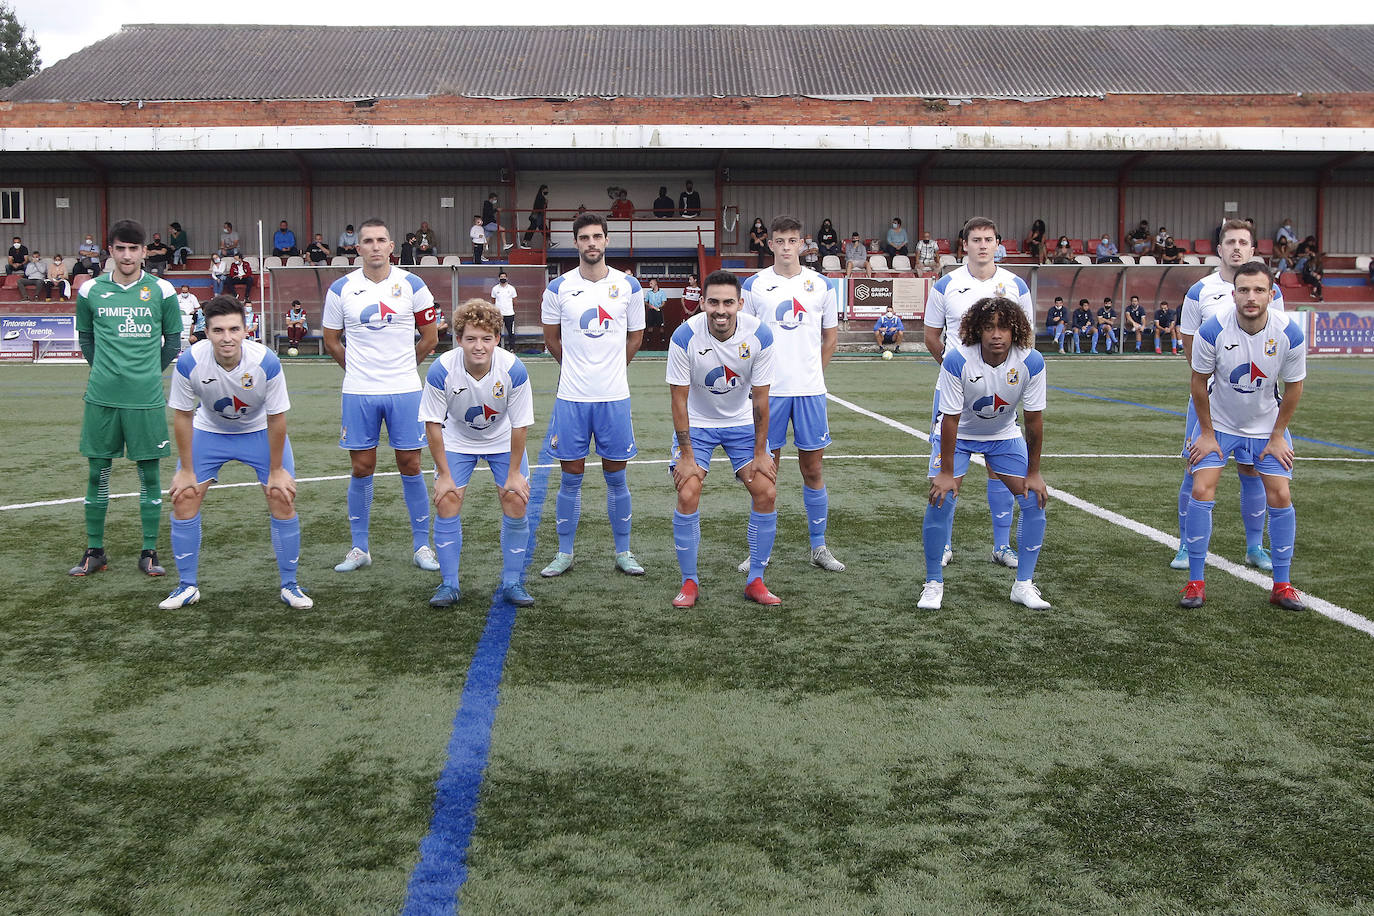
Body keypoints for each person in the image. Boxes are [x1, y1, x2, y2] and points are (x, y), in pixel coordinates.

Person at [161, 295, 312, 610]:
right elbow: (182, 416)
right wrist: (186, 470)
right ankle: (186, 586)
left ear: (246, 330)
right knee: (184, 496)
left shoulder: (266, 362)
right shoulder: (190, 361)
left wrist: (276, 470)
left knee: (281, 495)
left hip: (258, 432)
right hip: (209, 432)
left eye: (233, 329)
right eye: (218, 330)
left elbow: (277, 418)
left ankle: (290, 585)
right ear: (207, 331)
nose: (226, 337)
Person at [1181, 262, 1306, 612]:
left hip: (1266, 426)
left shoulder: (1289, 333)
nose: (1251, 297)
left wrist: (1278, 435)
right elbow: (1198, 382)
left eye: (1259, 290)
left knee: (1280, 494)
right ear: (1233, 293)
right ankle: (1195, 581)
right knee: (1201, 488)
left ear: (1271, 294)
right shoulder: (1212, 330)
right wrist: (1206, 433)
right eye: (1244, 290)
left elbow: (1294, 388)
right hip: (1219, 424)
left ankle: (1282, 585)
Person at [322, 217, 441, 574]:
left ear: (392, 246)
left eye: (381, 240)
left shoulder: (413, 284)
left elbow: (431, 337)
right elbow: (330, 340)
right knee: (362, 467)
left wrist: (405, 366)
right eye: (368, 241)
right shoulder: (340, 289)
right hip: (359, 392)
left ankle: (423, 545)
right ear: (357, 248)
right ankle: (359, 548)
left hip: (405, 390)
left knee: (412, 464)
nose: (375, 246)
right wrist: (357, 370)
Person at [919, 296, 1050, 611]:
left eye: (1004, 327)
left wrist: (1034, 473)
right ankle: (933, 583)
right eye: (989, 327)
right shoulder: (956, 360)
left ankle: (1023, 585)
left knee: (1034, 500)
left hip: (1003, 435)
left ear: (1015, 330)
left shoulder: (1031, 361)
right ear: (977, 330)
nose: (996, 335)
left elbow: (1033, 422)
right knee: (941, 498)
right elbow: (949, 419)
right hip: (958, 435)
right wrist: (947, 473)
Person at [1173, 218, 1287, 573]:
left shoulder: (1273, 292)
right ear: (1219, 249)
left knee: (1253, 471)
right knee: (1196, 470)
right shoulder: (1199, 291)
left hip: (1255, 401)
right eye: (1230, 242)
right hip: (1210, 401)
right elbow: (1191, 344)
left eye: (1243, 242)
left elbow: (1275, 344)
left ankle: (1255, 547)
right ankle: (1184, 545)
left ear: (1253, 250)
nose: (1236, 247)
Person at [70, 219, 182, 578]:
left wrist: (147, 373)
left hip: (145, 399)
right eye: (120, 248)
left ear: (145, 251)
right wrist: (106, 369)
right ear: (110, 251)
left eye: (134, 248)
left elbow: (174, 343)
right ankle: (94, 551)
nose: (127, 255)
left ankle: (149, 551)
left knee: (148, 475)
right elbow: (87, 340)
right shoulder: (90, 291)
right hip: (102, 397)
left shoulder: (162, 291)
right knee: (97, 473)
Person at [923, 216, 1037, 569]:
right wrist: (957, 370)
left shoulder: (1016, 285)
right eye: (976, 239)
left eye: (989, 239)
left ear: (998, 244)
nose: (983, 245)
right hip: (957, 395)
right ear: (965, 245)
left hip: (1002, 393)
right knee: (946, 475)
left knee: (998, 468)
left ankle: (1001, 546)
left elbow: (1026, 339)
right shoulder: (946, 285)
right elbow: (931, 336)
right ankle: (942, 545)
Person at [539, 213, 647, 577]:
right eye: (584, 237)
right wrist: (575, 368)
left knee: (617, 477)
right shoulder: (557, 288)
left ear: (606, 240)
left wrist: (614, 367)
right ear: (576, 243)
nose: (591, 243)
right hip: (572, 397)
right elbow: (551, 338)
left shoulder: (629, 286)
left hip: (614, 396)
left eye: (597, 236)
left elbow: (636, 336)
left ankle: (624, 552)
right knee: (571, 477)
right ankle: (565, 553)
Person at [667, 269, 780, 608]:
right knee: (688, 489)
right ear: (702, 302)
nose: (720, 310)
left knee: (767, 490)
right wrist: (686, 455)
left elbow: (761, 399)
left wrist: (762, 452)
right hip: (697, 424)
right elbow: (678, 400)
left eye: (728, 303)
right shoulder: (684, 337)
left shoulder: (760, 335)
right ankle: (689, 583)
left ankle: (756, 579)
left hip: (741, 422)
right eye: (713, 302)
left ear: (740, 304)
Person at [742, 214, 844, 572]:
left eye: (793, 241)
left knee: (812, 469)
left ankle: (819, 547)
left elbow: (830, 337)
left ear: (804, 244)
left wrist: (813, 371)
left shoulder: (821, 285)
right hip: (768, 393)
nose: (786, 247)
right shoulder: (753, 286)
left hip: (809, 392)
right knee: (766, 472)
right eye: (780, 241)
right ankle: (760, 551)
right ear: (770, 244)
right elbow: (746, 339)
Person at [420, 299, 536, 608]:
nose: (479, 346)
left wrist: (514, 474)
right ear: (458, 339)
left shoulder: (513, 368)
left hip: (502, 440)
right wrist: (444, 475)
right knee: (446, 500)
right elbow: (432, 424)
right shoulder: (441, 369)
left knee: (515, 499)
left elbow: (521, 425)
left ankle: (512, 582)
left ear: (497, 338)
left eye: (486, 338)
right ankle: (449, 584)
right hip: (457, 439)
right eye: (471, 338)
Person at [491, 270, 518, 346]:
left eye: (504, 277)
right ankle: (497, 348)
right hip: (498, 315)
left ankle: (512, 349)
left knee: (511, 332)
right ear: (498, 278)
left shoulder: (511, 288)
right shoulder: (495, 289)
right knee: (496, 332)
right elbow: (493, 300)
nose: (503, 278)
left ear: (507, 278)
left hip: (509, 314)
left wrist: (509, 308)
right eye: (501, 277)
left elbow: (514, 301)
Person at [176, 285, 199, 349]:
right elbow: (174, 308)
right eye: (183, 292)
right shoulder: (177, 297)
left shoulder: (193, 297)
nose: (184, 293)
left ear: (188, 291)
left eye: (186, 292)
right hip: (180, 317)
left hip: (190, 317)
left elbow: (197, 307)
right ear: (181, 291)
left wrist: (193, 311)